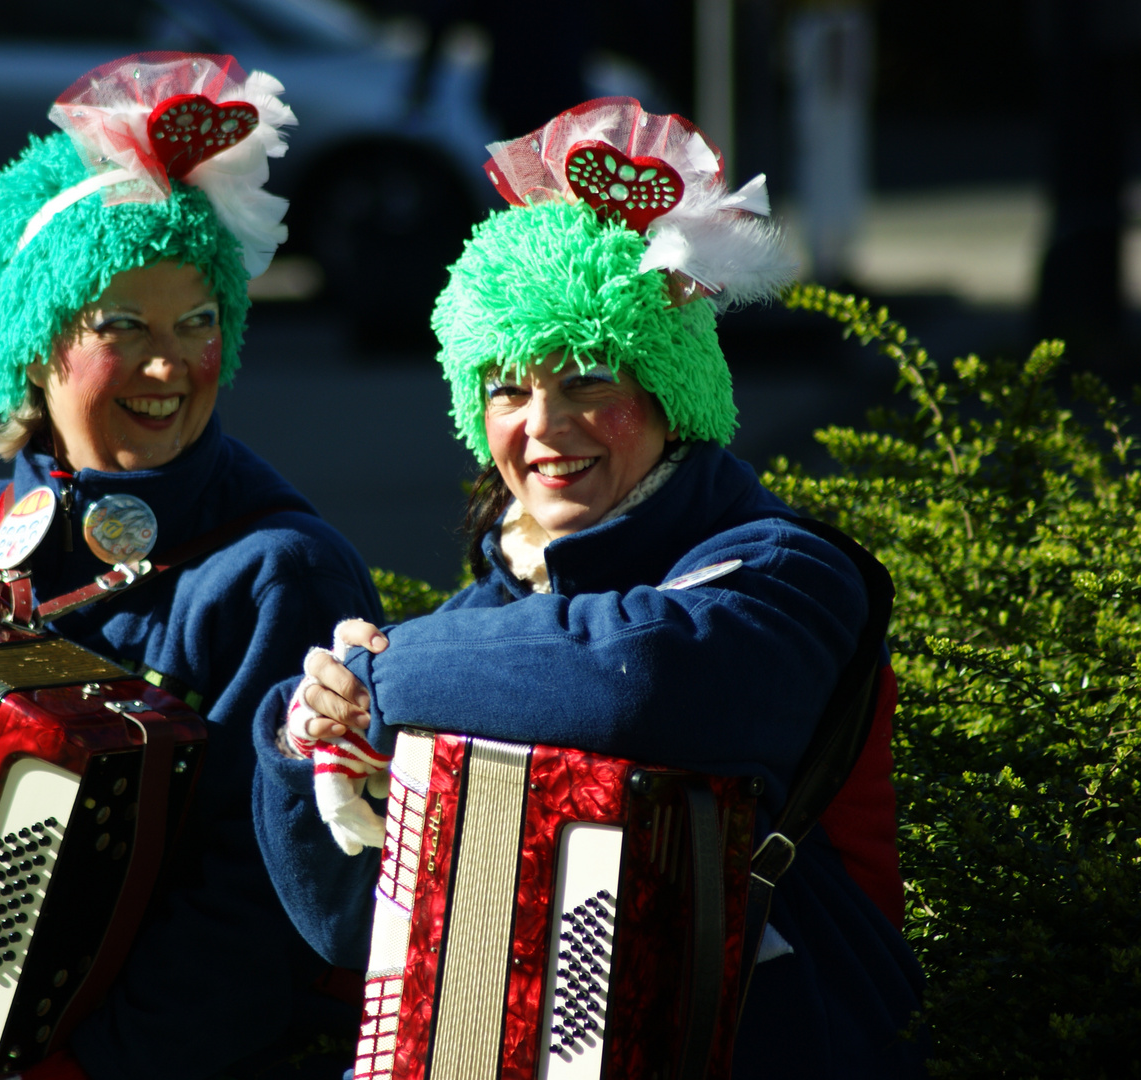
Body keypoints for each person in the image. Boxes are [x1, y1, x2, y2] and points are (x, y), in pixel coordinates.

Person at [252, 98, 925, 1078]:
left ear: (671, 393)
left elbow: (636, 675)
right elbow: (353, 932)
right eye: (509, 388)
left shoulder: (791, 572)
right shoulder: (484, 625)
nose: (544, 426)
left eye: (590, 381)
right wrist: (301, 737)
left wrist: (380, 675)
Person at [0, 53, 381, 1080]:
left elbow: (253, 911)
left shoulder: (279, 574)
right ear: (36, 342)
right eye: (123, 327)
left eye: (198, 324)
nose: (168, 365)